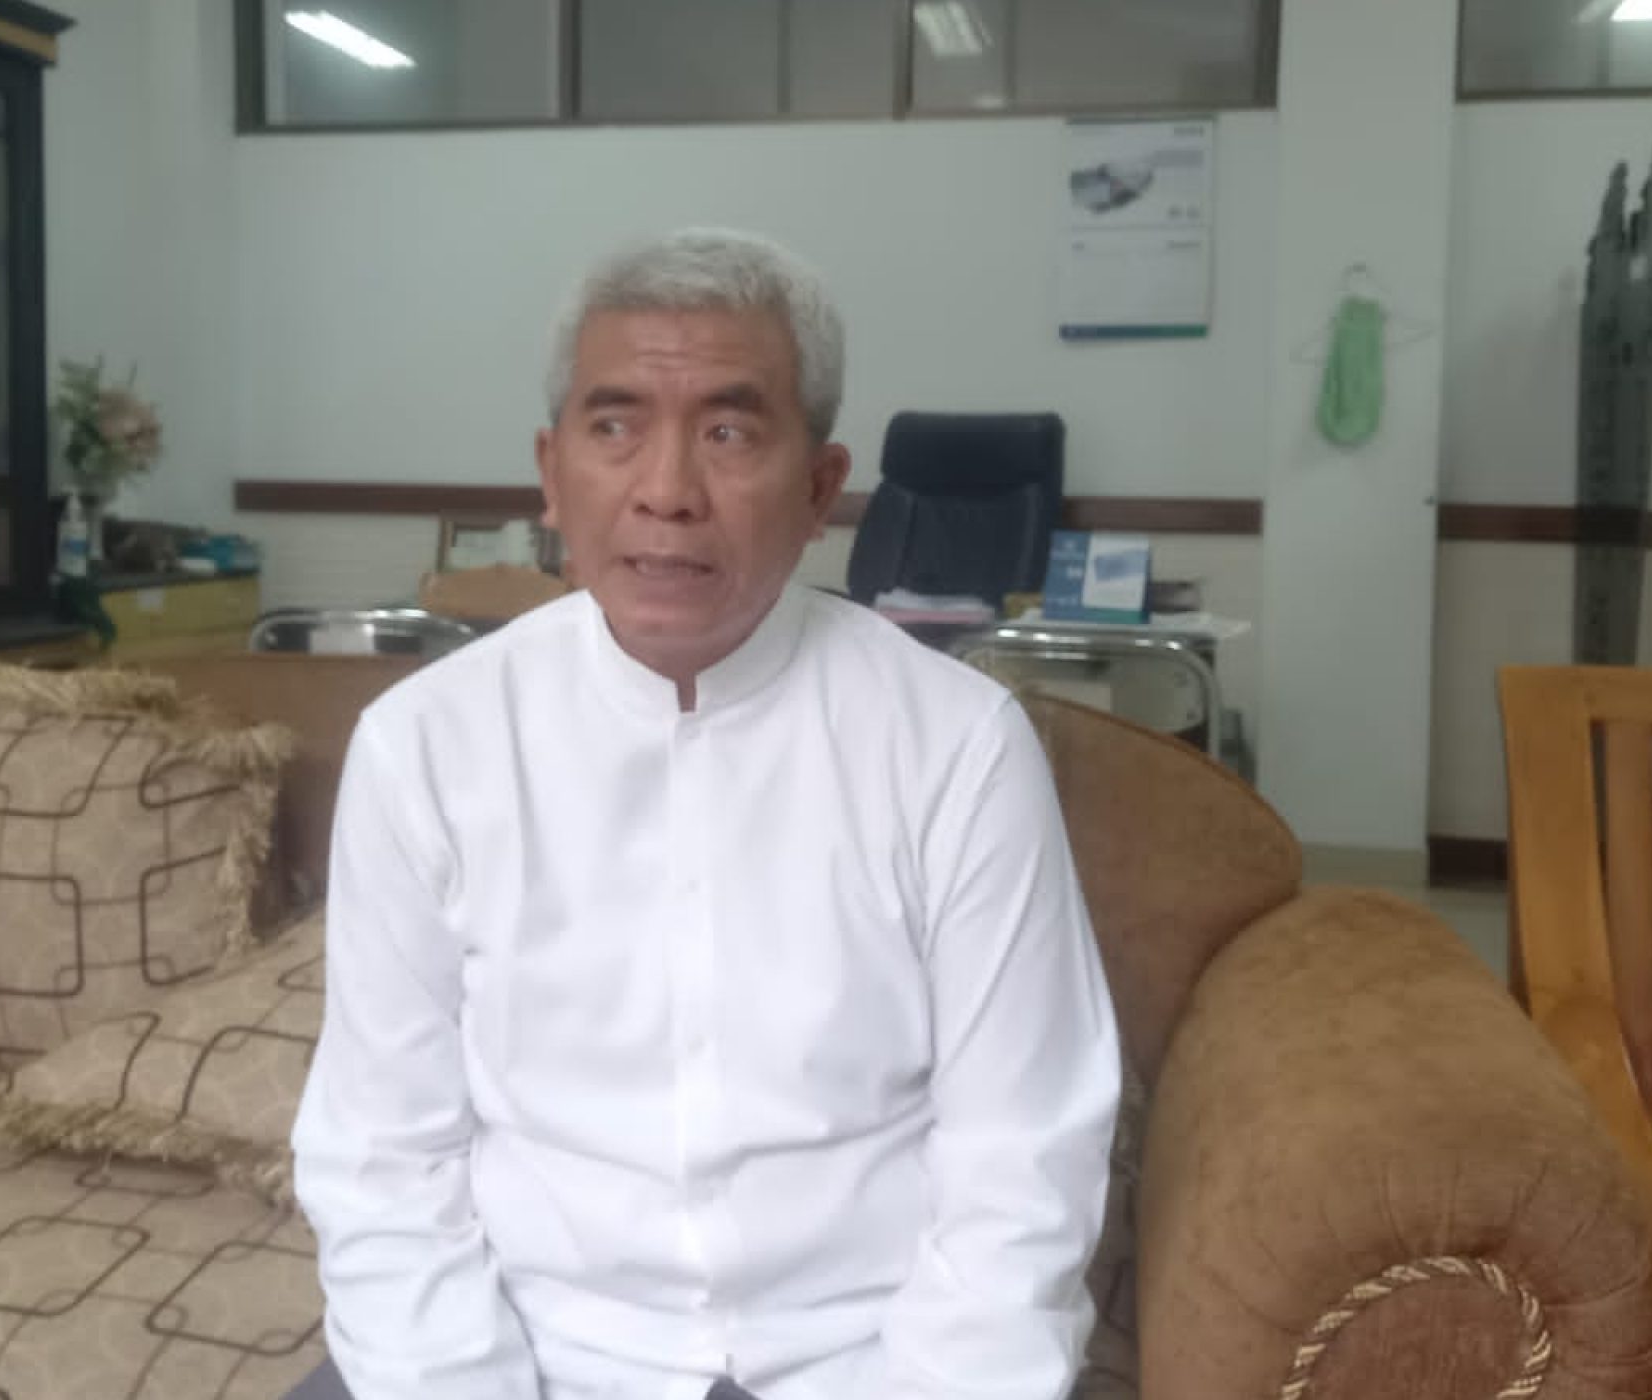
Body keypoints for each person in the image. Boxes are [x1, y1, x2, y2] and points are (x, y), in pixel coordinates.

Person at [289, 228, 1121, 1400]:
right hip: (532, 1351)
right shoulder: (426, 744)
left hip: (859, 1360)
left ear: (821, 487)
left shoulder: (957, 748)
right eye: (614, 426)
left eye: (728, 432)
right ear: (551, 472)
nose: (667, 492)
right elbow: (384, 1153)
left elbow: (1021, 1159)